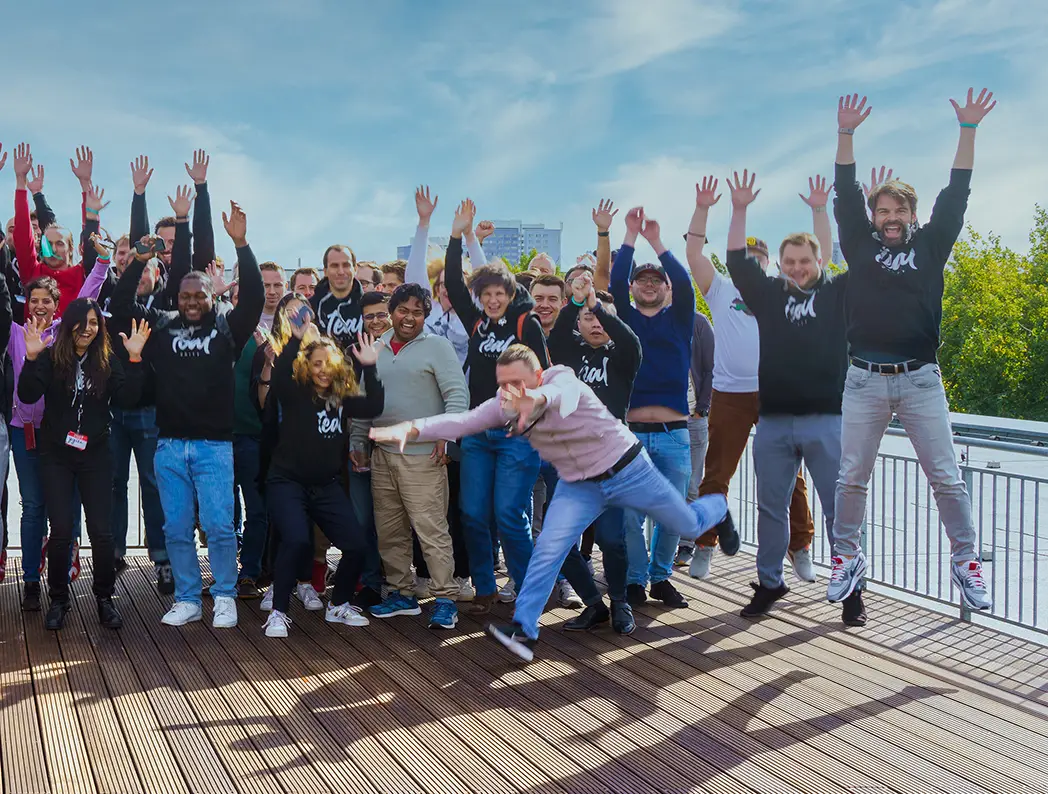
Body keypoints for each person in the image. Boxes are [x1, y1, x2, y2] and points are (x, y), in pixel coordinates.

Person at [370, 345, 730, 662]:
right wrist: (412, 429)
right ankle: (524, 631)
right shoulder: (504, 404)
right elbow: (462, 421)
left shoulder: (562, 381)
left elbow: (558, 396)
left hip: (627, 470)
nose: (511, 390)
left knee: (687, 523)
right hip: (581, 486)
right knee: (547, 549)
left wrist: (536, 400)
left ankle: (719, 509)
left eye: (519, 382)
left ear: (538, 374)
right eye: (504, 383)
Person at [827, 90, 996, 619]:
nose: (891, 217)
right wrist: (846, 133)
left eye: (900, 210)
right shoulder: (858, 244)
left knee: (946, 476)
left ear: (913, 215)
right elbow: (845, 191)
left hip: (921, 379)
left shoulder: (931, 245)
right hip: (864, 379)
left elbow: (957, 193)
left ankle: (966, 561)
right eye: (883, 211)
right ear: (873, 218)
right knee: (851, 477)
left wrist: (968, 129)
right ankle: (847, 557)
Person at [110, 199, 264, 629]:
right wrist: (138, 261)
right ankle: (188, 598)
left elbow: (253, 299)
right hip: (170, 446)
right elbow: (121, 308)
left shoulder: (227, 328)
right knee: (176, 528)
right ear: (176, 297)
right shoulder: (161, 325)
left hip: (214, 446)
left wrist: (242, 244)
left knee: (219, 525)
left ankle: (225, 595)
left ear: (212, 296)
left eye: (200, 295)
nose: (193, 301)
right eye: (185, 296)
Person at [685, 175, 826, 582]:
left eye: (759, 257)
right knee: (716, 473)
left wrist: (819, 210)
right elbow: (694, 253)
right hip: (730, 394)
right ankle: (705, 544)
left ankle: (800, 547)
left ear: (769, 263)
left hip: (776, 394)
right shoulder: (720, 288)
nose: (753, 261)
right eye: (745, 255)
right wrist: (706, 208)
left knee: (791, 475)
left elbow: (822, 261)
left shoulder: (785, 290)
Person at [722, 170, 849, 618]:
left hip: (826, 419)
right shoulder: (769, 294)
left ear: (819, 262)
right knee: (771, 508)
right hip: (774, 421)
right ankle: (770, 582)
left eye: (804, 261)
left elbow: (841, 253)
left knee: (839, 509)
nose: (797, 267)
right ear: (779, 264)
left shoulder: (835, 292)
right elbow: (735, 260)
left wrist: (820, 210)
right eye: (789, 261)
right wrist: (739, 209)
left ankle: (851, 586)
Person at [442, 199, 550, 613]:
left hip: (516, 436)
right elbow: (455, 285)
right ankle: (485, 588)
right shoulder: (475, 322)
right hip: (477, 434)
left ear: (510, 294)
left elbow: (541, 379)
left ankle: (528, 589)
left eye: (498, 293)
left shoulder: (526, 324)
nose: (491, 299)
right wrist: (457, 236)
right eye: (485, 293)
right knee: (472, 514)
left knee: (509, 515)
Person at [18, 299, 150, 630]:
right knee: (61, 530)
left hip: (96, 455)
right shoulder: (51, 357)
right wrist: (31, 358)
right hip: (57, 455)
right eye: (82, 322)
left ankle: (104, 598)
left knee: (102, 532)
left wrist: (135, 359)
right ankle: (58, 599)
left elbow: (128, 398)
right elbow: (28, 394)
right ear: (69, 324)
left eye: (94, 323)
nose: (87, 329)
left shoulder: (107, 360)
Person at [350, 283, 468, 629]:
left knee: (431, 530)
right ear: (391, 312)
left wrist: (447, 436)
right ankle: (401, 593)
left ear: (425, 316)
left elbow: (457, 394)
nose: (409, 317)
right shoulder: (376, 347)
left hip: (424, 456)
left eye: (418, 312)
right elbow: (363, 400)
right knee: (390, 531)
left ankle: (445, 599)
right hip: (382, 454)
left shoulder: (438, 346)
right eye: (403, 310)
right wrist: (358, 443)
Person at [610, 207, 709, 608]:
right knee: (630, 515)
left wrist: (656, 241)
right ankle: (635, 580)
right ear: (633, 287)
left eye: (656, 280)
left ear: (666, 289)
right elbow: (615, 280)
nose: (649, 285)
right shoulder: (624, 320)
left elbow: (684, 281)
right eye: (642, 280)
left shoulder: (681, 319)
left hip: (674, 435)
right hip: (632, 436)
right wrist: (630, 237)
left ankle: (661, 577)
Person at [8, 230, 111, 611]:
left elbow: (89, 295)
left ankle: (65, 572)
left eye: (46, 301)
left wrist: (102, 262)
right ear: (26, 303)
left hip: (59, 434)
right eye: (33, 300)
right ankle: (31, 580)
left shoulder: (63, 334)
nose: (39, 306)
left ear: (56, 306)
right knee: (34, 505)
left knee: (66, 511)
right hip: (23, 431)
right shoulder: (14, 333)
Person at [262, 325, 385, 638]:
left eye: (328, 363)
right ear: (306, 366)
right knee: (296, 540)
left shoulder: (342, 398)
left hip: (325, 485)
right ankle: (278, 612)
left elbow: (374, 406)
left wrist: (370, 367)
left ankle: (339, 604)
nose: (323, 370)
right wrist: (294, 339)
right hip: (287, 482)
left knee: (356, 545)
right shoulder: (294, 393)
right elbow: (279, 375)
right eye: (316, 363)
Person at [546, 273, 642, 634]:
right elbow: (557, 335)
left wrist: (597, 306)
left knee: (612, 539)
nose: (597, 323)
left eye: (603, 317)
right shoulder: (569, 353)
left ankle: (620, 601)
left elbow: (630, 340)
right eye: (589, 317)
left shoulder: (624, 357)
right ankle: (593, 604)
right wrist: (576, 300)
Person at [673, 310, 714, 568]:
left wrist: (702, 408)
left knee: (691, 484)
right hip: (662, 418)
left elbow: (711, 367)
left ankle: (687, 543)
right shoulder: (649, 318)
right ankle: (663, 545)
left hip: (692, 417)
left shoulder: (698, 322)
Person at [311, 244, 363, 355]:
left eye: (346, 265)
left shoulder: (368, 305)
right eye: (334, 266)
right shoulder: (310, 307)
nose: (340, 271)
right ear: (325, 271)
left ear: (355, 269)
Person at [258, 262, 287, 331]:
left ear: (286, 287)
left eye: (277, 285)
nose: (272, 292)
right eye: (266, 286)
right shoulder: (246, 321)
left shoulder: (296, 320)